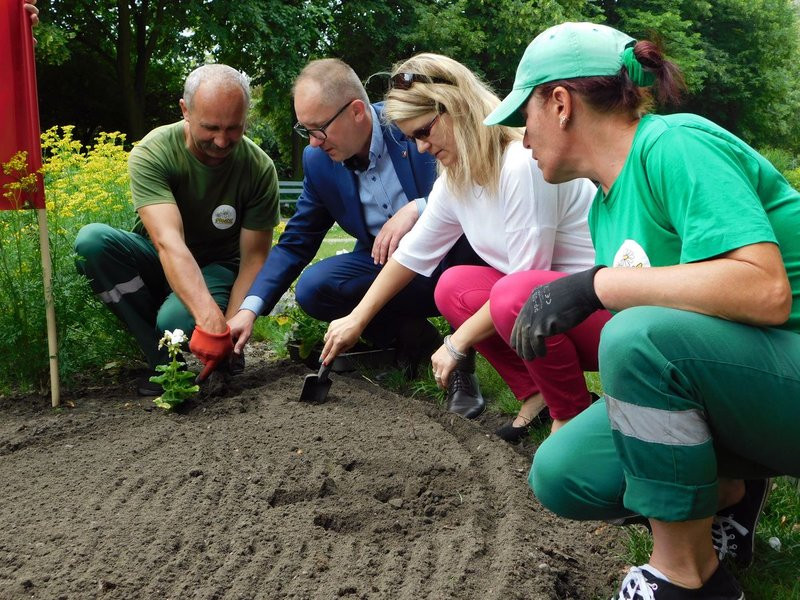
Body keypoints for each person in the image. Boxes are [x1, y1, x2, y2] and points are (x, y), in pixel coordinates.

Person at [485, 21, 800, 599]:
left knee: (636, 336)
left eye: (521, 118)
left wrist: (596, 285)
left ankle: (687, 579)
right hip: (754, 382)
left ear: (559, 104)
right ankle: (730, 493)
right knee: (562, 474)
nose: (521, 140)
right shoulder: (604, 212)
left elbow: (765, 292)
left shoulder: (674, 144)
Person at [320, 53, 605, 431]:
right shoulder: (457, 179)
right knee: (453, 287)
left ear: (457, 108)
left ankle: (572, 414)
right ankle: (535, 394)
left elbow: (527, 281)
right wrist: (356, 318)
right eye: (411, 138)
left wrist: (457, 342)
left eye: (423, 132)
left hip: (598, 315)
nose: (420, 147)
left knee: (511, 295)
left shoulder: (521, 165)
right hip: (544, 309)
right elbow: (410, 255)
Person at [228, 58, 483, 415]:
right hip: (390, 269)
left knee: (462, 251)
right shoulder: (318, 162)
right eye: (306, 131)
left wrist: (419, 208)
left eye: (319, 129)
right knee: (315, 287)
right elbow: (296, 241)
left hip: (452, 258)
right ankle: (410, 335)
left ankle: (462, 368)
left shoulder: (411, 122)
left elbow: (473, 179)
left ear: (357, 112)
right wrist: (249, 310)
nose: (314, 143)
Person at [74, 64, 280, 394]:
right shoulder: (154, 152)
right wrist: (208, 322)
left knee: (176, 324)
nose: (222, 140)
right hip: (160, 258)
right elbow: (168, 242)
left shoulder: (258, 168)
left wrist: (229, 328)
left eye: (234, 128)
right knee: (92, 243)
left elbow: (253, 258)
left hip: (218, 266)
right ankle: (162, 360)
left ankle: (208, 346)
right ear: (185, 110)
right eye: (211, 127)